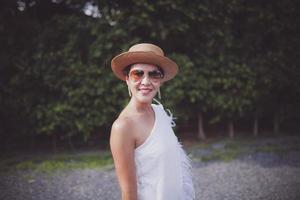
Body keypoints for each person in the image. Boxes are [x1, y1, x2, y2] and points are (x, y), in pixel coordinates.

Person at [110, 43, 195, 200]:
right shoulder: (123, 127)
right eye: (138, 74)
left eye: (154, 74)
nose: (146, 81)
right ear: (127, 79)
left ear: (161, 80)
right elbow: (129, 194)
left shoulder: (159, 111)